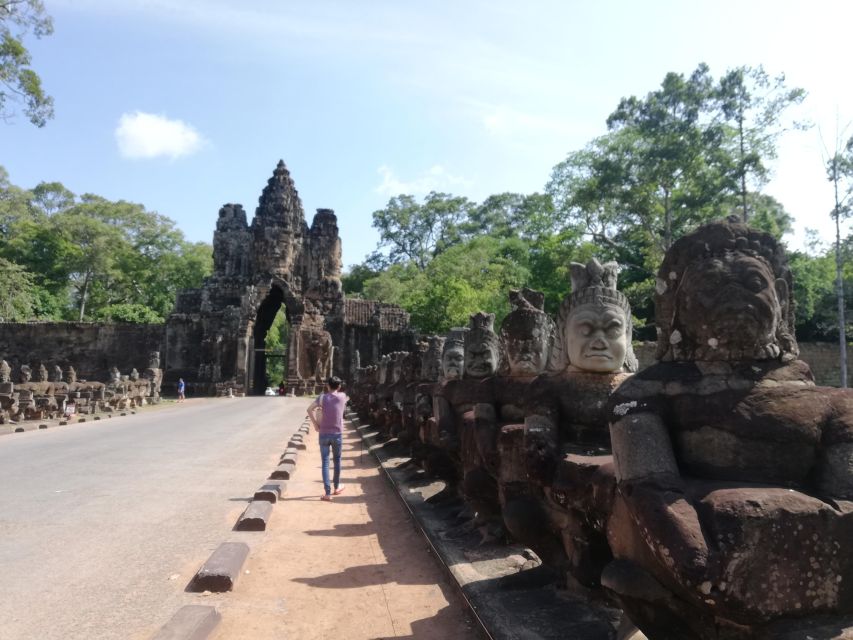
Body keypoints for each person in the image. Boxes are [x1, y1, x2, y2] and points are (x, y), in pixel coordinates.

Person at [307, 376, 348, 501]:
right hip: (337, 434)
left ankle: (327, 493)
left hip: (323, 433)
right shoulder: (343, 397)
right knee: (337, 461)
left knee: (325, 463)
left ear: (327, 386)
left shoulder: (322, 398)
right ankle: (336, 487)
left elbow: (309, 409)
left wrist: (315, 424)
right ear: (339, 386)